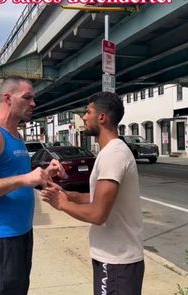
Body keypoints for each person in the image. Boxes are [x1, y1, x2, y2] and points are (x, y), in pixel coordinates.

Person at [0, 76, 65, 295]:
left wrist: (46, 174)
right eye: (27, 97)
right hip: (2, 239)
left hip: (23, 233)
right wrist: (24, 179)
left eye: (33, 98)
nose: (33, 103)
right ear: (7, 98)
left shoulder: (17, 135)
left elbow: (19, 178)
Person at [41, 92, 145, 295]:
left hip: (116, 260)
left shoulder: (113, 155)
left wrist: (62, 204)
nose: (84, 117)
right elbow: (97, 198)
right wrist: (67, 194)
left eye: (88, 112)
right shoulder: (109, 152)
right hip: (113, 260)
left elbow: (98, 214)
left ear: (102, 117)